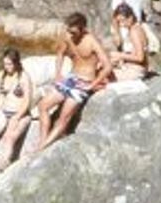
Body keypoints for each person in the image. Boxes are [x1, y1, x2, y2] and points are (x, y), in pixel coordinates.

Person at [34, 12, 112, 152]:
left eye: (74, 31)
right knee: (43, 106)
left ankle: (42, 149)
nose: (71, 34)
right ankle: (42, 141)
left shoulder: (92, 41)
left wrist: (92, 85)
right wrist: (58, 74)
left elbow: (107, 66)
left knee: (64, 117)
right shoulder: (68, 37)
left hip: (84, 82)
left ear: (82, 28)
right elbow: (60, 54)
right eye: (69, 30)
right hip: (70, 78)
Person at [108, 2, 150, 81]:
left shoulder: (134, 31)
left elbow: (140, 57)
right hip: (133, 67)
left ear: (130, 18)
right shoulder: (136, 28)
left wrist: (120, 55)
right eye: (119, 22)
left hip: (136, 71)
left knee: (103, 75)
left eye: (123, 21)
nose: (121, 24)